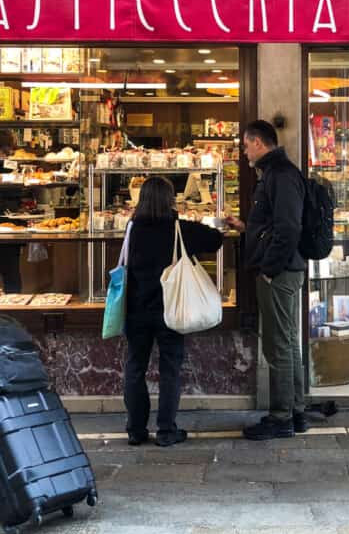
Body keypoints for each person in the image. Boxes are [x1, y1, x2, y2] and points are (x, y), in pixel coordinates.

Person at [123, 176, 223, 447]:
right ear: (170, 200)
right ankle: (166, 431)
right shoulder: (179, 228)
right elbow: (215, 240)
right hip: (171, 309)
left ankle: (136, 430)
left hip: (136, 309)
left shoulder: (132, 228)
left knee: (134, 368)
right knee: (169, 370)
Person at [225, 120, 307, 440]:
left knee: (278, 346)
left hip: (280, 273)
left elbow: (288, 229)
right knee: (287, 343)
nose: (244, 151)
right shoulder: (276, 174)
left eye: (246, 145)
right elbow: (274, 226)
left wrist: (269, 270)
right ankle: (296, 412)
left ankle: (281, 416)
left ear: (258, 143)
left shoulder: (281, 175)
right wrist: (247, 228)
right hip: (284, 270)